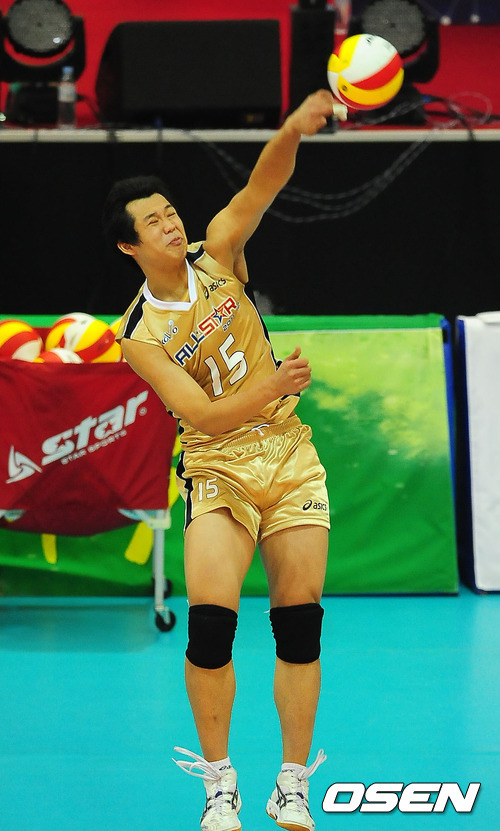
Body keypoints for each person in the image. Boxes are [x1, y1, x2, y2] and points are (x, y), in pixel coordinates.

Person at [103, 89, 343, 831]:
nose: (170, 223)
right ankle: (219, 785)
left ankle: (292, 785)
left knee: (299, 623)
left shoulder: (220, 252)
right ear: (129, 247)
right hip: (217, 463)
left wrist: (292, 129)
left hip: (288, 453)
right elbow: (201, 415)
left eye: (169, 211)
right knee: (211, 624)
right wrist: (273, 383)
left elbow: (263, 184)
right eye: (152, 221)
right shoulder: (137, 335)